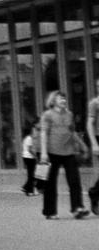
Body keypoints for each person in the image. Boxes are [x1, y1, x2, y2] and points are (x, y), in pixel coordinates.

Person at [40, 90, 90, 220]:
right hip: (52, 152)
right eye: (60, 98)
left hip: (69, 152)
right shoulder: (47, 115)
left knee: (74, 181)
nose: (63, 100)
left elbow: (72, 132)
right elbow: (43, 133)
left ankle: (77, 208)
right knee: (50, 183)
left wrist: (83, 145)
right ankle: (50, 212)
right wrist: (44, 152)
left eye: (64, 98)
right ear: (53, 101)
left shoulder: (69, 114)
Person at [22, 125, 40, 197]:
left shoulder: (26, 138)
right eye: (34, 130)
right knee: (31, 175)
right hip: (29, 157)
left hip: (26, 157)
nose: (35, 132)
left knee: (31, 175)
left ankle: (26, 188)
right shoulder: (29, 138)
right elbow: (30, 149)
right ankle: (29, 191)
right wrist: (35, 156)